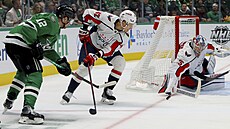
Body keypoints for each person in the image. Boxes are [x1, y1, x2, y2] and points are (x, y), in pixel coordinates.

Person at [2, 4, 75, 124]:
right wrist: (34, 43)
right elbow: (29, 27)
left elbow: (45, 49)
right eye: (70, 19)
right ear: (65, 18)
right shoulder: (52, 22)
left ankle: (10, 99)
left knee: (23, 73)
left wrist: (60, 62)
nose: (70, 22)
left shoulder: (53, 27)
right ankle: (27, 110)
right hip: (22, 42)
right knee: (35, 74)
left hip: (12, 43)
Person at [61, 9, 137, 105]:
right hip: (91, 44)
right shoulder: (106, 19)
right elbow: (87, 13)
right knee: (84, 68)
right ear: (123, 21)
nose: (130, 28)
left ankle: (108, 91)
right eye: (129, 25)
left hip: (104, 50)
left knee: (120, 62)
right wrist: (84, 28)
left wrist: (96, 56)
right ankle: (69, 92)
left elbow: (110, 50)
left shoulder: (124, 36)